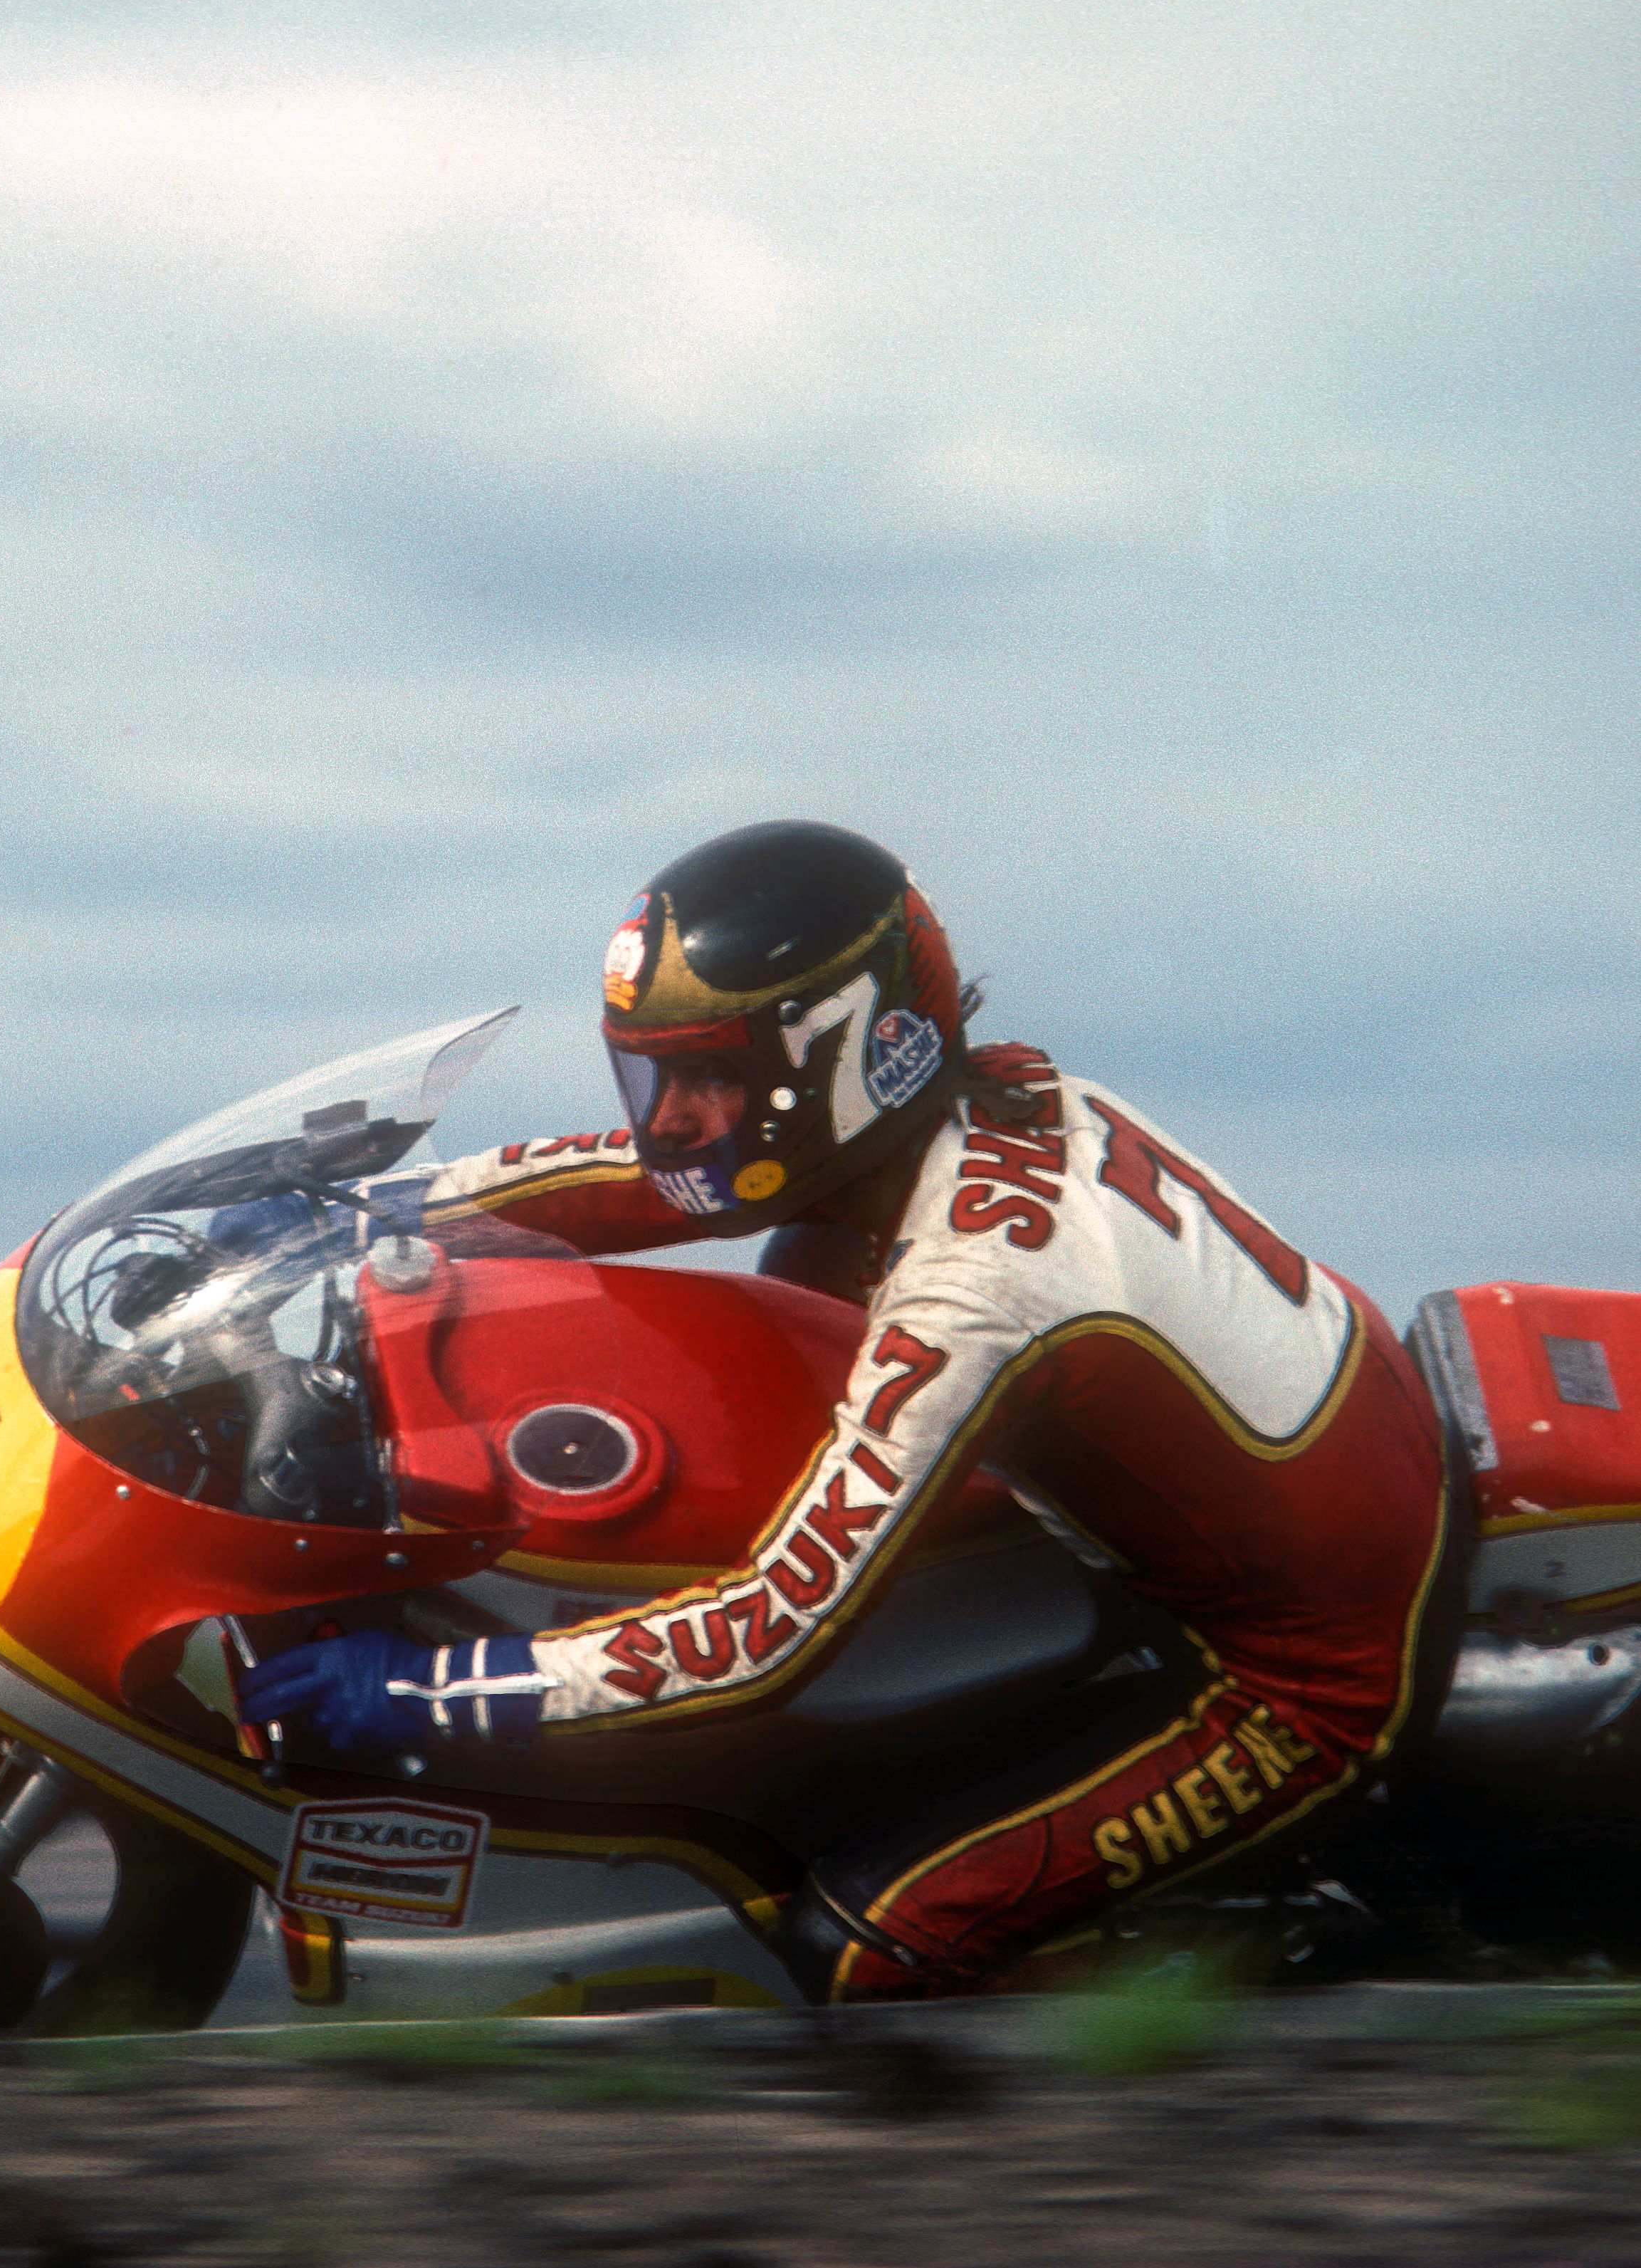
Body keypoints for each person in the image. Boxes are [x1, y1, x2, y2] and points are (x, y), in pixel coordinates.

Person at [241, 820, 1455, 2003]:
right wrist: (360, 1210)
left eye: (712, 1072)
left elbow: (766, 1632)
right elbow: (653, 1180)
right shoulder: (996, 1096)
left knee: (869, 1947)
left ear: (864, 1048)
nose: (670, 1111)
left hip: (1305, 1674)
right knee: (802, 1247)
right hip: (1298, 1481)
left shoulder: (975, 1288)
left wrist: (434, 1692)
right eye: (659, 1068)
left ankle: (1269, 1974)